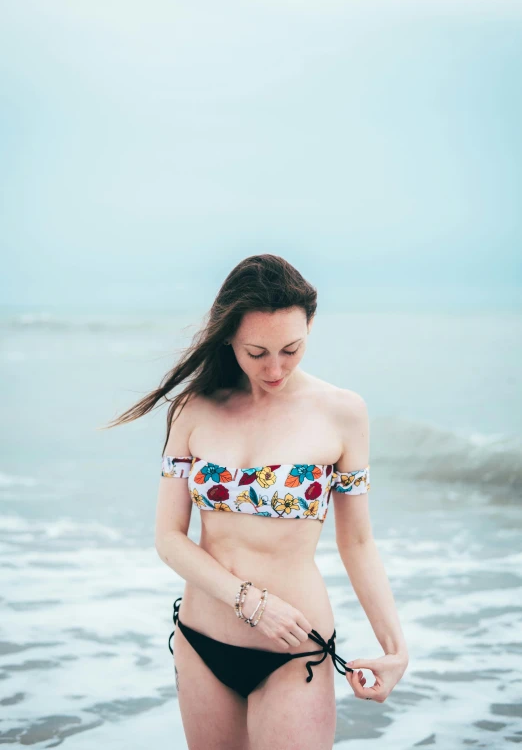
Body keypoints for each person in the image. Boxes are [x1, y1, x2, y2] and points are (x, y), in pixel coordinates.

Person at [106, 254, 409, 750]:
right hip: (201, 642)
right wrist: (250, 602)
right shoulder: (193, 408)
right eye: (256, 352)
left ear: (310, 325)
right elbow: (168, 538)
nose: (275, 368)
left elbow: (357, 541)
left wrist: (396, 649)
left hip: (295, 654)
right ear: (228, 337)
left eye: (291, 349)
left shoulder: (343, 413)